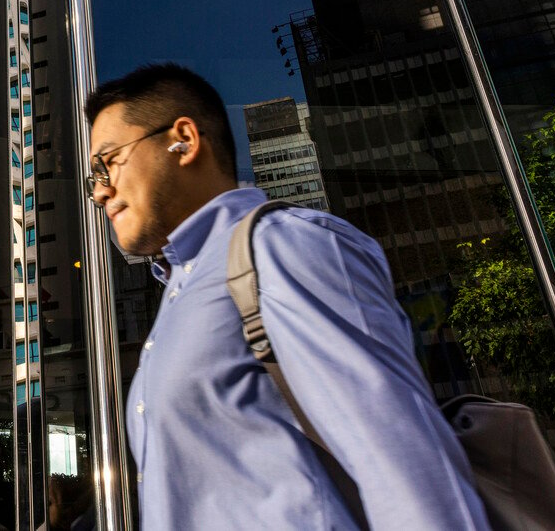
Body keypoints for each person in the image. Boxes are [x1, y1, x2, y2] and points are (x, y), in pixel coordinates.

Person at [84, 62, 490, 530]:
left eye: (108, 161)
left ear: (184, 141)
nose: (100, 192)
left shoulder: (280, 246)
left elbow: (404, 463)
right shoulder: (181, 291)